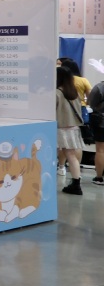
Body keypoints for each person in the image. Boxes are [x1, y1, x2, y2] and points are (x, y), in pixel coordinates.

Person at [56, 67, 84, 196]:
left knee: (58, 155)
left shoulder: (57, 93)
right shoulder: (74, 93)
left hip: (61, 129)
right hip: (74, 128)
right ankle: (76, 183)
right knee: (72, 157)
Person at [88, 76, 104, 186]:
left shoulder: (99, 87)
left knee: (100, 150)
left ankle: (99, 177)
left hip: (101, 122)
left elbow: (91, 103)